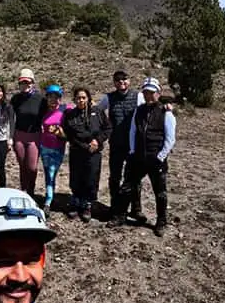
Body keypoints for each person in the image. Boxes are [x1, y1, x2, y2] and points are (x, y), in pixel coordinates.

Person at [126, 76, 176, 237]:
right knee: (132, 185)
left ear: (158, 93)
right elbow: (133, 131)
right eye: (146, 92)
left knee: (160, 191)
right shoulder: (139, 110)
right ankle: (136, 211)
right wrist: (133, 151)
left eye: (152, 92)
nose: (149, 95)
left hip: (156, 159)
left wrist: (160, 156)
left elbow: (170, 139)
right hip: (139, 156)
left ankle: (161, 221)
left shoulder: (166, 112)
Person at [97, 69, 143, 220]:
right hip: (116, 144)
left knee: (134, 177)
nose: (122, 82)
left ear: (129, 81)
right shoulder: (108, 98)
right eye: (118, 80)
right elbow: (97, 111)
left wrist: (166, 106)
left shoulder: (138, 96)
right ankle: (115, 207)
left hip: (133, 145)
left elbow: (150, 107)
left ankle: (136, 209)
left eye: (124, 79)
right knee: (115, 177)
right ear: (114, 82)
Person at [60, 87, 111, 222]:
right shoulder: (70, 114)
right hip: (77, 152)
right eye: (78, 98)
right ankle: (76, 202)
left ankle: (87, 205)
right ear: (74, 99)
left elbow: (107, 128)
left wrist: (97, 140)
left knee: (91, 178)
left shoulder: (98, 112)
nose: (81, 100)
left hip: (94, 152)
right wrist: (59, 134)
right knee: (76, 178)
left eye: (83, 97)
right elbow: (67, 134)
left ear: (88, 99)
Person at [10, 68, 46, 198]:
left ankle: (31, 189)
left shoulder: (41, 99)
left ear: (33, 83)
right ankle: (24, 190)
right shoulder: (16, 99)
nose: (25, 85)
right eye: (22, 82)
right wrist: (11, 136)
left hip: (34, 137)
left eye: (27, 82)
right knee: (22, 166)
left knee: (32, 167)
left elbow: (52, 112)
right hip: (19, 136)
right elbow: (11, 118)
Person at [39, 84, 68, 217]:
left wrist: (60, 132)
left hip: (57, 149)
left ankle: (48, 201)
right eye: (50, 97)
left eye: (56, 97)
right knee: (48, 174)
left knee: (52, 173)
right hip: (44, 148)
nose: (53, 99)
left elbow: (68, 133)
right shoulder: (44, 111)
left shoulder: (65, 110)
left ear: (60, 98)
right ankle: (48, 199)